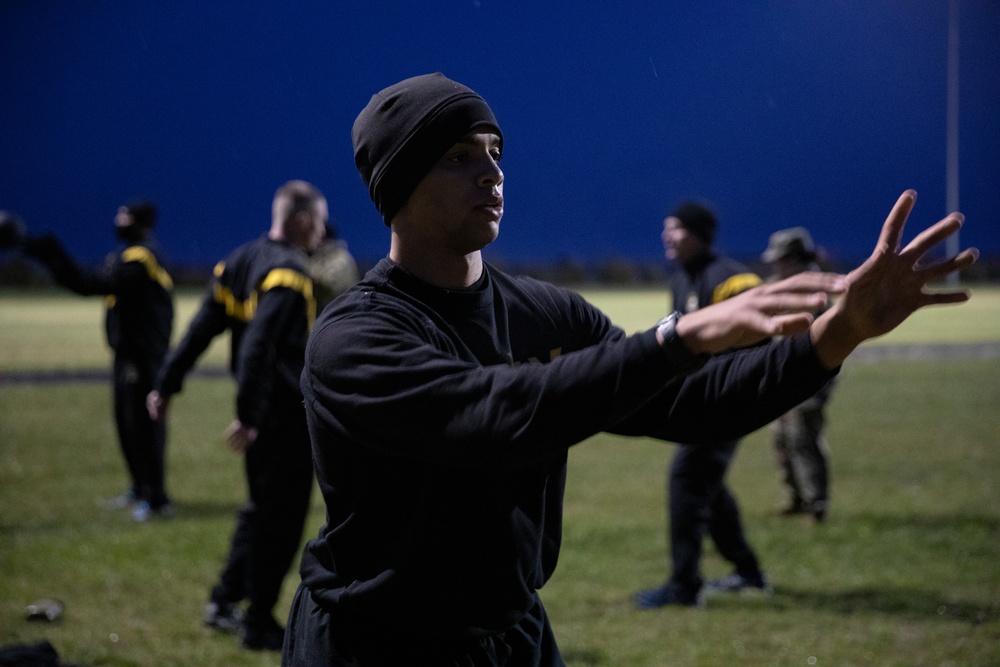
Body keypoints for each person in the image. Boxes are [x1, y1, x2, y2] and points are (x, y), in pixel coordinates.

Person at [281, 72, 977, 667]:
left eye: (494, 152)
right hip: (375, 641)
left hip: (512, 631)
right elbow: (486, 413)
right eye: (459, 157)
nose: (492, 173)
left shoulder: (547, 313)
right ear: (398, 184)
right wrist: (676, 337)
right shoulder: (355, 336)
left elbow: (694, 405)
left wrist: (836, 334)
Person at [147, 180, 326, 651]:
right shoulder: (289, 273)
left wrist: (166, 382)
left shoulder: (240, 261)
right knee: (281, 520)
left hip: (263, 412)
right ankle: (259, 621)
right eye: (320, 223)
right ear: (304, 220)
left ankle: (225, 598)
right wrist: (249, 415)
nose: (322, 233)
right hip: (281, 416)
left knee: (259, 509)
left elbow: (201, 328)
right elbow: (258, 349)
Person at [633, 201, 770, 609]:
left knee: (688, 480)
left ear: (700, 234)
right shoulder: (683, 278)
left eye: (675, 229)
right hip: (701, 401)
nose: (667, 236)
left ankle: (685, 586)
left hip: (729, 401)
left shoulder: (733, 279)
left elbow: (759, 342)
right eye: (665, 228)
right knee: (707, 484)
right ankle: (748, 572)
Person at [22, 201, 174, 522]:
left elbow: (92, 284)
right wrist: (41, 251)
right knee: (125, 423)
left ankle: (157, 498)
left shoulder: (141, 259)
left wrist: (52, 253)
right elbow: (88, 280)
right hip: (126, 355)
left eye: (125, 216)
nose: (118, 220)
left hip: (143, 356)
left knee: (144, 426)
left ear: (142, 223)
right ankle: (139, 487)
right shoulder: (125, 257)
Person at [762, 226, 835, 523]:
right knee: (781, 438)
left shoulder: (815, 291)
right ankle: (796, 498)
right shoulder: (781, 284)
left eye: (779, 260)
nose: (774, 266)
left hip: (812, 375)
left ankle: (818, 504)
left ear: (793, 260)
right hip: (783, 373)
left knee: (806, 437)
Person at [308, 222, 360, 312]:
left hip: (341, 314)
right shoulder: (319, 257)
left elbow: (328, 285)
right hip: (326, 313)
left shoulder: (341, 258)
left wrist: (302, 271)